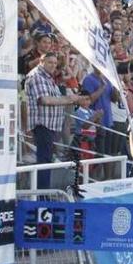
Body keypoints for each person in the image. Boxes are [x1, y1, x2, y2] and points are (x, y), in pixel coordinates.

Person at [25, 52, 84, 188]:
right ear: (41, 61)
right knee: (44, 162)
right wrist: (70, 99)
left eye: (55, 63)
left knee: (46, 161)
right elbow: (45, 100)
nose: (53, 65)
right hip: (43, 126)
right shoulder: (36, 76)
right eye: (50, 62)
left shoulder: (48, 77)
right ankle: (42, 196)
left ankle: (44, 194)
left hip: (51, 126)